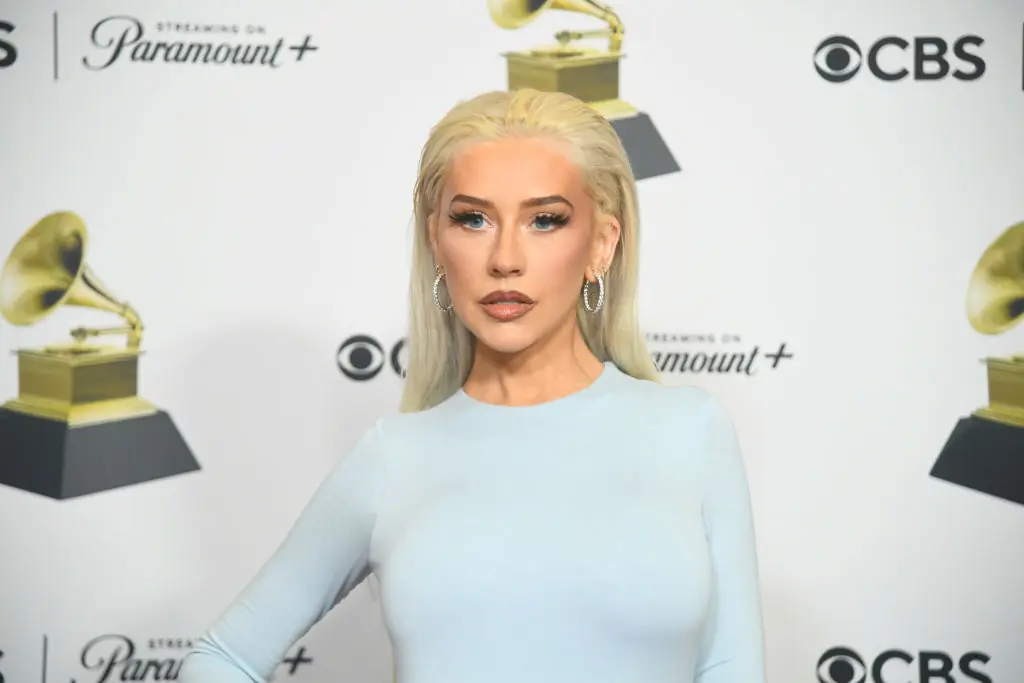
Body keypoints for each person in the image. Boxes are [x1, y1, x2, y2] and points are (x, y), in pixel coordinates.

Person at [178, 88, 766, 683]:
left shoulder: (691, 431)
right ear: (437, 240)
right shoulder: (393, 457)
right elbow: (222, 659)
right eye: (473, 219)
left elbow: (731, 668)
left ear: (602, 243)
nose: (505, 258)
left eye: (544, 220)